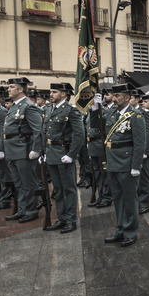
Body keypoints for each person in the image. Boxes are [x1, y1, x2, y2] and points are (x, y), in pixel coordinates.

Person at [101, 84, 147, 246]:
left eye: (117, 95)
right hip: (113, 161)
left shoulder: (135, 115)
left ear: (126, 98)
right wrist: (93, 108)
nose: (114, 98)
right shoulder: (112, 113)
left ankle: (130, 231)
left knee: (129, 199)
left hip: (127, 163)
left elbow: (140, 143)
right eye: (113, 95)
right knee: (117, 198)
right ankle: (120, 228)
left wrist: (136, 165)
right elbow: (98, 125)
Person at [0, 77, 44, 223]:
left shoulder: (28, 106)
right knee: (18, 183)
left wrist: (36, 149)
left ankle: (31, 209)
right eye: (9, 87)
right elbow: (6, 130)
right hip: (12, 150)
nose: (8, 89)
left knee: (28, 182)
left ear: (20, 89)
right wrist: (2, 149)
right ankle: (23, 209)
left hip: (23, 150)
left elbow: (38, 129)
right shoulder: (14, 106)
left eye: (12, 87)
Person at [42, 83, 86, 233]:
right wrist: (44, 151)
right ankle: (62, 218)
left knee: (69, 189)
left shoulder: (70, 110)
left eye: (55, 92)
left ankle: (71, 220)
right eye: (51, 91)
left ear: (64, 94)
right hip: (51, 153)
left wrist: (71, 155)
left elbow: (79, 135)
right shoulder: (49, 109)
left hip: (63, 153)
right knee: (58, 190)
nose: (51, 94)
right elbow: (45, 131)